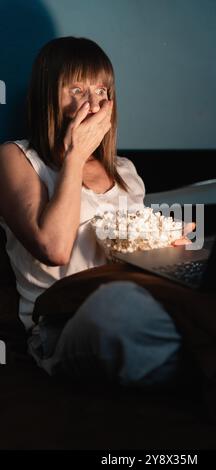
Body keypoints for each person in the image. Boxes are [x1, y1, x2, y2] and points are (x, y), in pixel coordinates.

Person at [0, 37, 193, 390]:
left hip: (139, 302)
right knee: (117, 304)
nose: (92, 102)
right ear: (47, 96)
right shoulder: (15, 159)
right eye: (76, 88)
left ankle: (213, 370)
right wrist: (74, 155)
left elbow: (133, 254)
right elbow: (54, 248)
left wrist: (168, 253)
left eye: (101, 89)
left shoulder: (126, 171)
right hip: (63, 323)